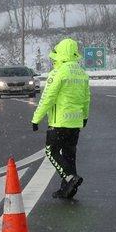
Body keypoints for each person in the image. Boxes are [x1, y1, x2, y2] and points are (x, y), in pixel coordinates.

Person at [31, 37, 91, 199]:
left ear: (61, 54)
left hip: (59, 122)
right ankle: (67, 189)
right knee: (69, 155)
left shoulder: (58, 73)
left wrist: (36, 118)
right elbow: (86, 98)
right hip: (75, 122)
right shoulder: (82, 73)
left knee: (51, 152)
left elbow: (48, 98)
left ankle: (70, 178)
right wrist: (84, 117)